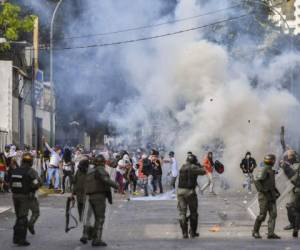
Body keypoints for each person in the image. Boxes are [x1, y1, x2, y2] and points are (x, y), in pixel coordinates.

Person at [82, 154, 119, 246]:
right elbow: (105, 179)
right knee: (100, 218)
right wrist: (116, 185)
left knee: (90, 217)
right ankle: (97, 239)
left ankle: (88, 234)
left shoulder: (91, 171)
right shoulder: (100, 169)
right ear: (102, 162)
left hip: (90, 196)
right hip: (99, 196)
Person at [10, 152, 41, 246]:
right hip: (24, 196)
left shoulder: (16, 170)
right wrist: (33, 189)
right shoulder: (31, 171)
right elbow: (37, 183)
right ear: (31, 162)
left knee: (19, 217)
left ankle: (16, 238)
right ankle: (21, 239)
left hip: (15, 196)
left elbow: (10, 182)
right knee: (23, 218)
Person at [177, 154, 206, 238]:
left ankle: (184, 233)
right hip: (189, 192)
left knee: (182, 213)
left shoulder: (183, 167)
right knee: (193, 213)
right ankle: (192, 232)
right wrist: (199, 166)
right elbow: (203, 171)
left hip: (180, 191)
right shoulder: (193, 167)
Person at [252, 154, 280, 239]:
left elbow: (271, 183)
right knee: (262, 215)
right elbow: (257, 180)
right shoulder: (264, 169)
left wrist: (276, 192)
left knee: (273, 214)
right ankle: (255, 231)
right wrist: (262, 190)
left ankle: (270, 233)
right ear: (272, 161)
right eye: (273, 160)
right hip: (264, 196)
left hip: (271, 196)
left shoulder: (270, 170)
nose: (274, 162)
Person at [280, 149, 300, 237]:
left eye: (289, 156)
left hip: (298, 190)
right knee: (293, 208)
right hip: (294, 189)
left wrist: (285, 167)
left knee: (294, 208)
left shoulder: (297, 165)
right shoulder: (293, 165)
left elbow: (293, 176)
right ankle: (294, 226)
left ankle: (295, 227)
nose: (288, 158)